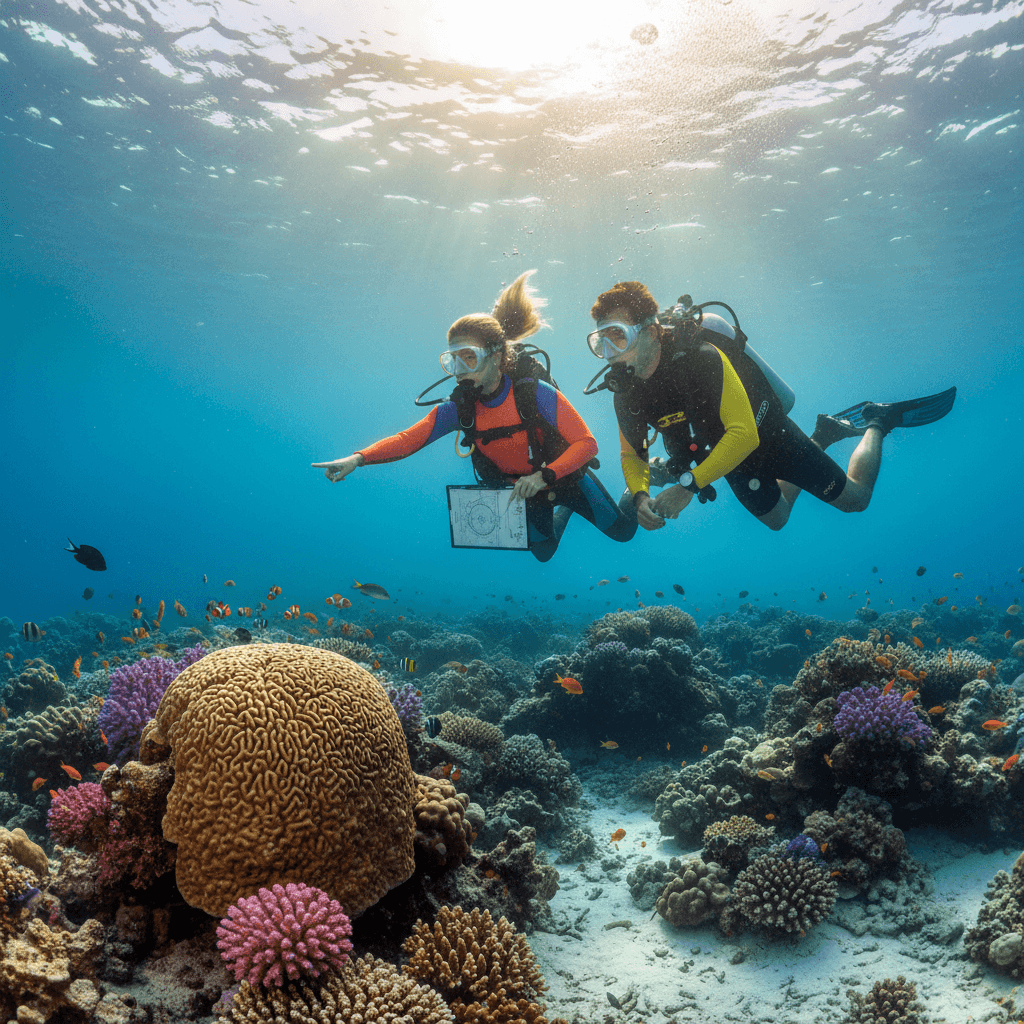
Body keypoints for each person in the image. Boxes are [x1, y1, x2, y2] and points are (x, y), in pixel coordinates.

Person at [313, 271, 637, 561]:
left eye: (469, 357)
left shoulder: (533, 392)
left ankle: (638, 487)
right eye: (452, 360)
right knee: (544, 553)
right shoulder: (460, 409)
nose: (459, 370)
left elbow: (586, 444)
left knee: (623, 532)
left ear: (495, 356)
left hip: (563, 477)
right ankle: (562, 510)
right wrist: (358, 458)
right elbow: (408, 439)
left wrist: (544, 477)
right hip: (520, 492)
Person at [586, 280, 955, 532]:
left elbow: (744, 434)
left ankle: (878, 420)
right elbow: (632, 454)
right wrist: (640, 496)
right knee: (777, 520)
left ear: (650, 331)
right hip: (724, 456)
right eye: (600, 341)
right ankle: (824, 435)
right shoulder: (625, 392)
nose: (609, 353)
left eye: (619, 336)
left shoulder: (702, 359)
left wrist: (688, 486)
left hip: (769, 436)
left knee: (856, 500)